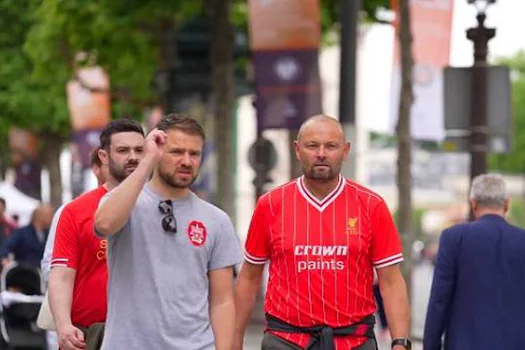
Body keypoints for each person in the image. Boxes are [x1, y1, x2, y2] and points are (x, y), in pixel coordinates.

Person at [234, 115, 411, 350]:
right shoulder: (271, 205)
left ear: (346, 150)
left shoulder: (371, 205)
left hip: (354, 341)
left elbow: (391, 282)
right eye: (312, 145)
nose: (321, 153)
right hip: (286, 340)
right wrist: (232, 341)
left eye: (331, 146)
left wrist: (401, 343)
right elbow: (249, 277)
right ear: (297, 149)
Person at [95, 114, 241, 350]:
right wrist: (146, 162)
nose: (187, 161)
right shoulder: (125, 202)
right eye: (177, 152)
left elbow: (223, 300)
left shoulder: (217, 220)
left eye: (194, 154)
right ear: (156, 151)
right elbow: (104, 224)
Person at [49, 119, 145, 350]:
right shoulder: (75, 211)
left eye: (139, 150)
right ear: (103, 156)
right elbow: (61, 276)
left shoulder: (164, 208)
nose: (133, 157)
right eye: (123, 150)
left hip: (145, 334)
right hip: (89, 337)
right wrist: (63, 326)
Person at [423, 173, 525, 350]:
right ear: (507, 203)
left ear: (473, 203)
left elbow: (440, 300)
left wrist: (431, 345)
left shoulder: (454, 238)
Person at [41, 146, 108, 285]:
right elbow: (51, 267)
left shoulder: (142, 208)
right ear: (96, 169)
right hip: (83, 303)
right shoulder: (71, 211)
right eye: (110, 164)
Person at [0, 204, 54, 269]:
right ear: (40, 216)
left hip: (43, 275)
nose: (52, 218)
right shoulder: (22, 233)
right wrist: (5, 260)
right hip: (25, 274)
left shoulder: (50, 234)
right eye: (49, 215)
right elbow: (5, 248)